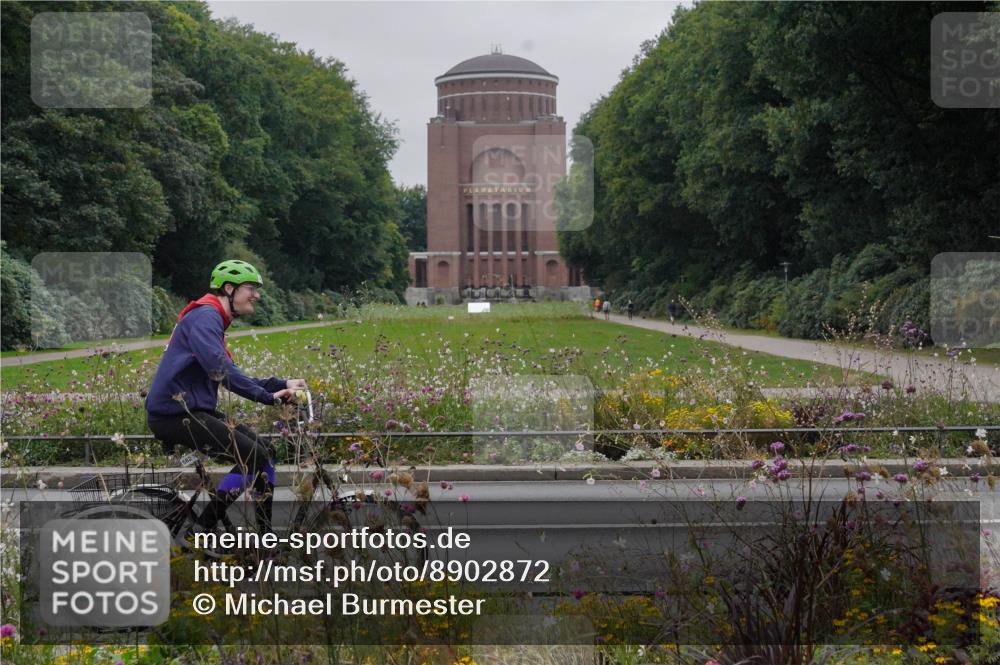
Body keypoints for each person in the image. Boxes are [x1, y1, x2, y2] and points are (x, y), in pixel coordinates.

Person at [145, 259, 306, 536]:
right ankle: (202, 530)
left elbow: (231, 372)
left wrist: (281, 384)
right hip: (174, 414)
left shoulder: (210, 320)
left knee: (265, 452)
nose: (256, 295)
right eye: (250, 288)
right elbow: (222, 371)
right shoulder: (205, 317)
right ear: (229, 289)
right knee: (253, 455)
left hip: (190, 410)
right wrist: (269, 398)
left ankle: (264, 538)